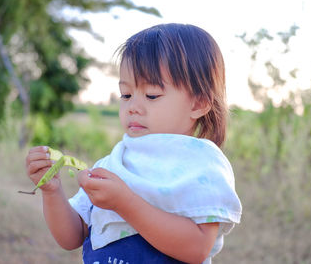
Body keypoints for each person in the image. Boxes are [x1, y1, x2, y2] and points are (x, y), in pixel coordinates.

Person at [25, 23, 242, 264]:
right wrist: (52, 191)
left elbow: (197, 248)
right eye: (126, 95)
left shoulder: (203, 166)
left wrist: (124, 202)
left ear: (198, 103)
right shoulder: (115, 162)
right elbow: (72, 237)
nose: (133, 107)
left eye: (151, 95)